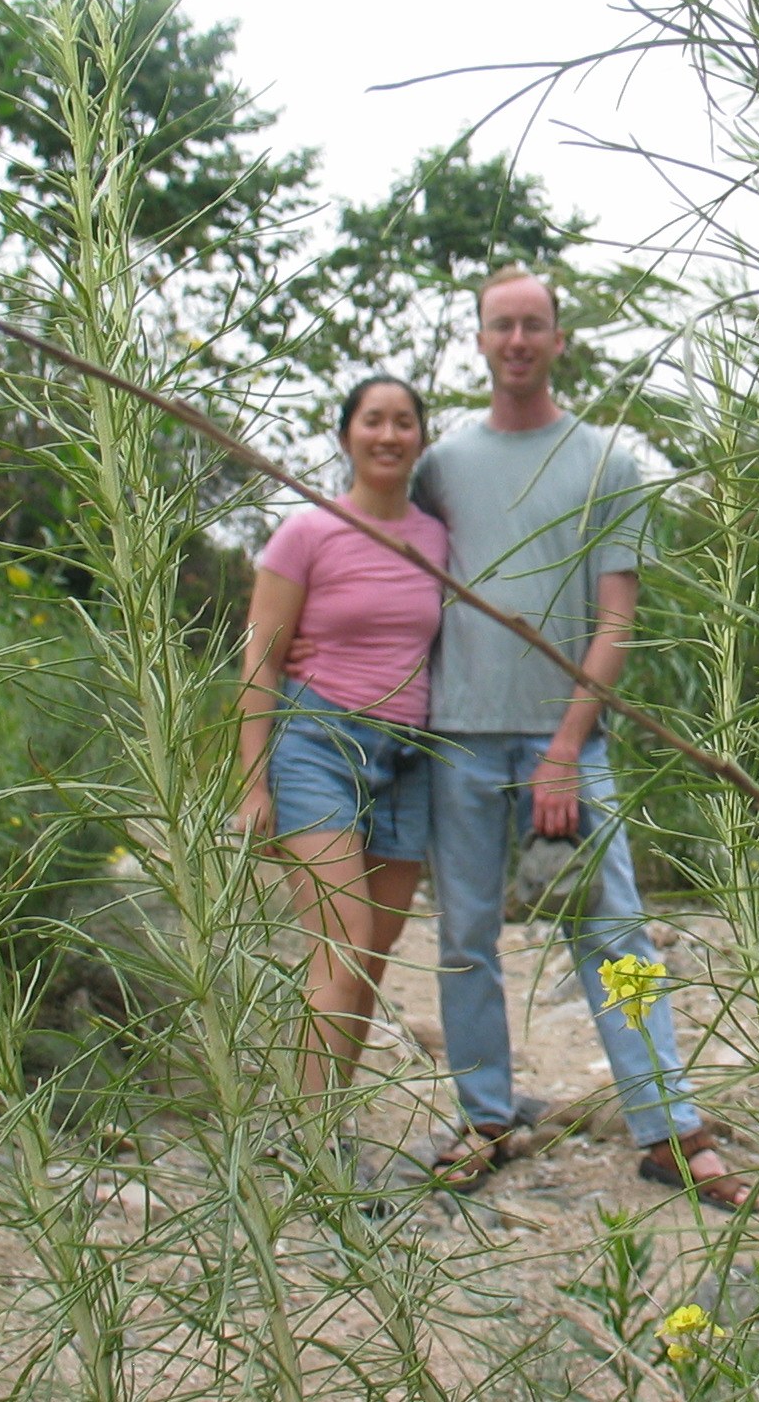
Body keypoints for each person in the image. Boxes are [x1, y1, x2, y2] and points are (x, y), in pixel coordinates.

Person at [414, 266, 750, 1208]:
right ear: (480, 341)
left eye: (534, 325)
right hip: (457, 741)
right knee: (465, 937)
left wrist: (564, 748)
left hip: (569, 743)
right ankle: (486, 1118)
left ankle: (669, 1127)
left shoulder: (607, 462)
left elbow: (616, 622)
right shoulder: (440, 467)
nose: (518, 341)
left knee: (618, 941)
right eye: (501, 325)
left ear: (560, 339)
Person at [237, 376, 447, 1101]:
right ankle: (313, 1141)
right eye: (372, 421)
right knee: (343, 943)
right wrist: (252, 783)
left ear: (421, 438)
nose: (388, 435)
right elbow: (261, 656)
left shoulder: (439, 539)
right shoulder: (307, 533)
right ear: (346, 435)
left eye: (403, 422)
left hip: (409, 759)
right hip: (318, 747)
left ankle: (329, 1120)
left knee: (373, 957)